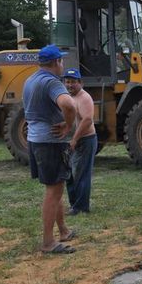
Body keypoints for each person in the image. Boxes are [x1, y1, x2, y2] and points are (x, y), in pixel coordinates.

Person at [23, 44, 77, 254]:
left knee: (56, 187)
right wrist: (68, 124)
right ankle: (48, 242)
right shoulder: (50, 82)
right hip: (50, 141)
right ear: (56, 62)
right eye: (61, 61)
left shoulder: (31, 80)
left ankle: (63, 230)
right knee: (53, 192)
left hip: (36, 140)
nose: (63, 64)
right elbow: (69, 105)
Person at [63, 67, 97, 215]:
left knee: (81, 174)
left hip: (85, 141)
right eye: (67, 82)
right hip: (72, 141)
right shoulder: (69, 97)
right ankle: (74, 204)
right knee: (69, 174)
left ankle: (81, 207)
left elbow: (87, 120)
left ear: (80, 83)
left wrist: (75, 139)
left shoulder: (84, 98)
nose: (70, 85)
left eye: (73, 82)